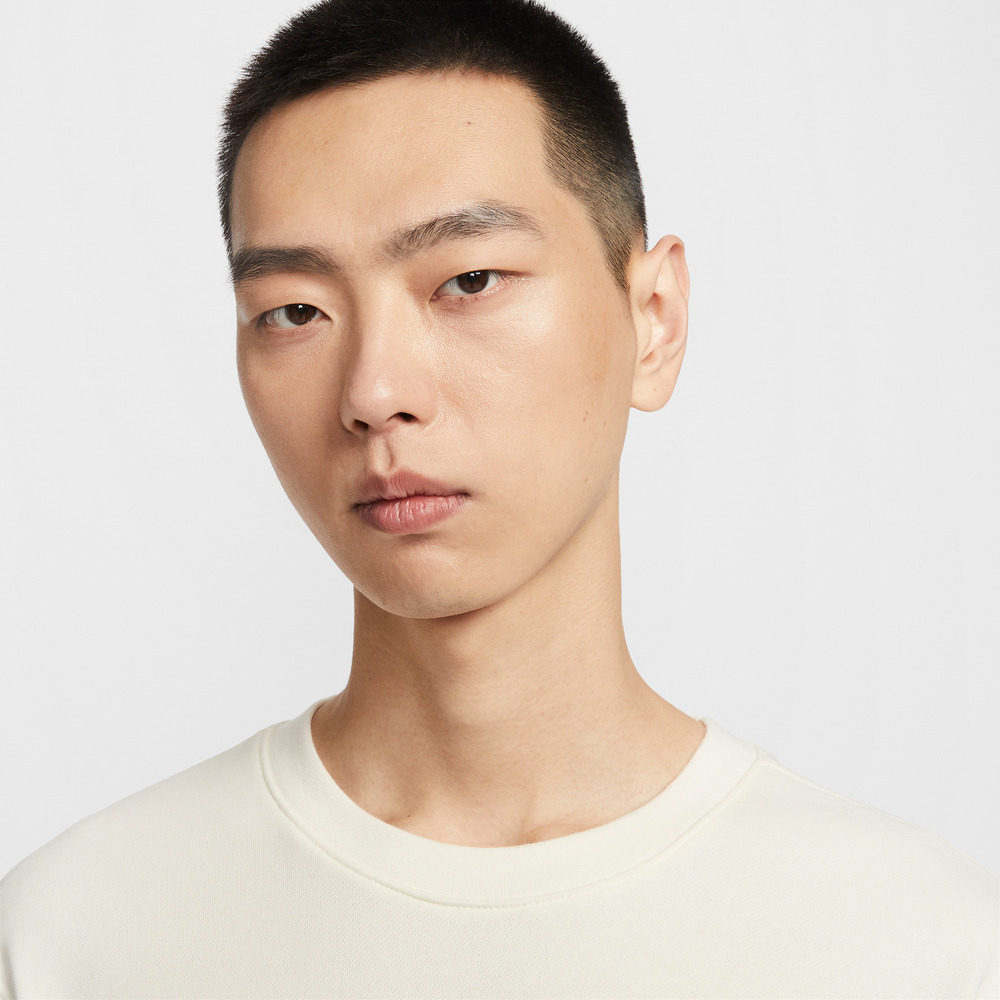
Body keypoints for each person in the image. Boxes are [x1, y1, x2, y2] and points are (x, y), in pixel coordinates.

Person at [1, 0, 996, 996]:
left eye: (470, 280)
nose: (374, 392)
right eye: (294, 310)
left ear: (653, 320)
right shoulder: (77, 934)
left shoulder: (912, 945)